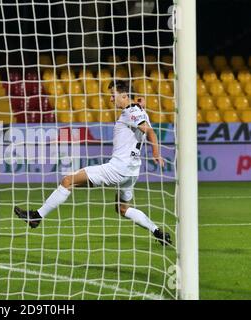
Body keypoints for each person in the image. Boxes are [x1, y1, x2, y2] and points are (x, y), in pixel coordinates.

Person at [14, 80, 171, 246]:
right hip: (131, 172)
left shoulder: (130, 112)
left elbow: (149, 131)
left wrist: (155, 152)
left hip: (117, 169)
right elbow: (138, 110)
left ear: (124, 95)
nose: (111, 99)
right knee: (123, 209)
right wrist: (140, 102)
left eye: (113, 95)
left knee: (68, 180)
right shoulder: (138, 110)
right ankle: (157, 231)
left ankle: (36, 217)